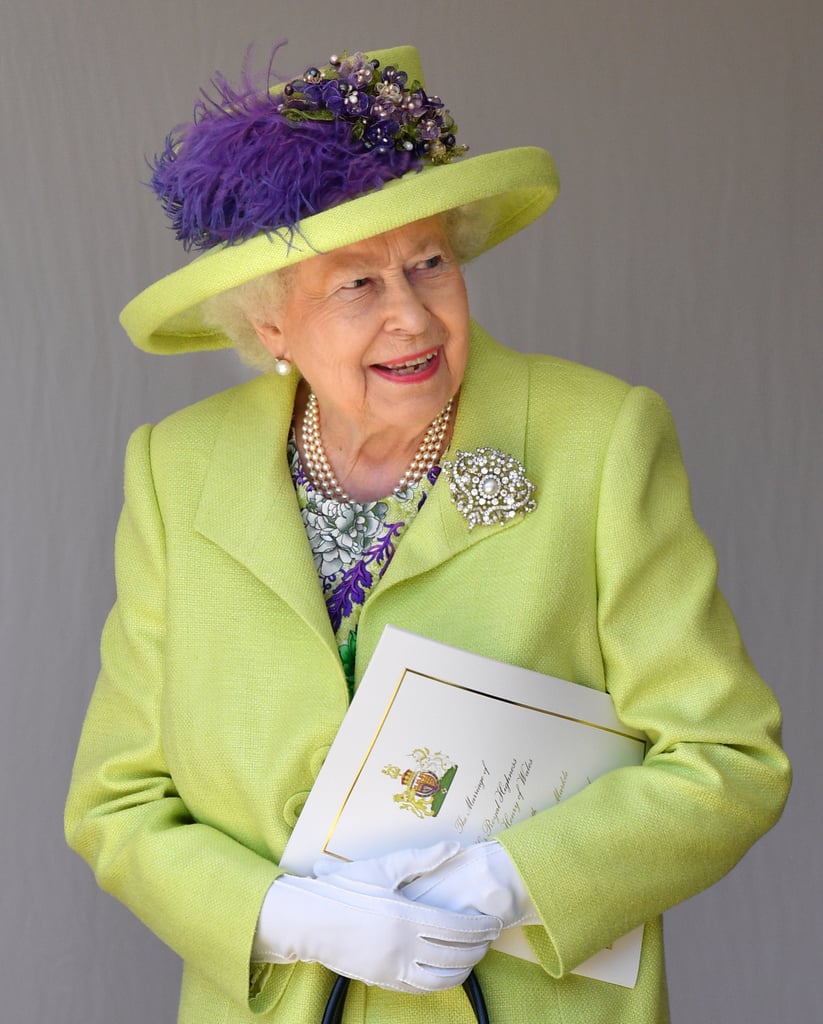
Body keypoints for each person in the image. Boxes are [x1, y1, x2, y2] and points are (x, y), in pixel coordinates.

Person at [65, 44, 790, 1024]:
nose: (412, 316)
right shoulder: (175, 468)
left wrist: (509, 880)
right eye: (355, 284)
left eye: (429, 264)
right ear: (270, 327)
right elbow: (117, 802)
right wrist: (287, 918)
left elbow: (728, 759)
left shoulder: (599, 439)